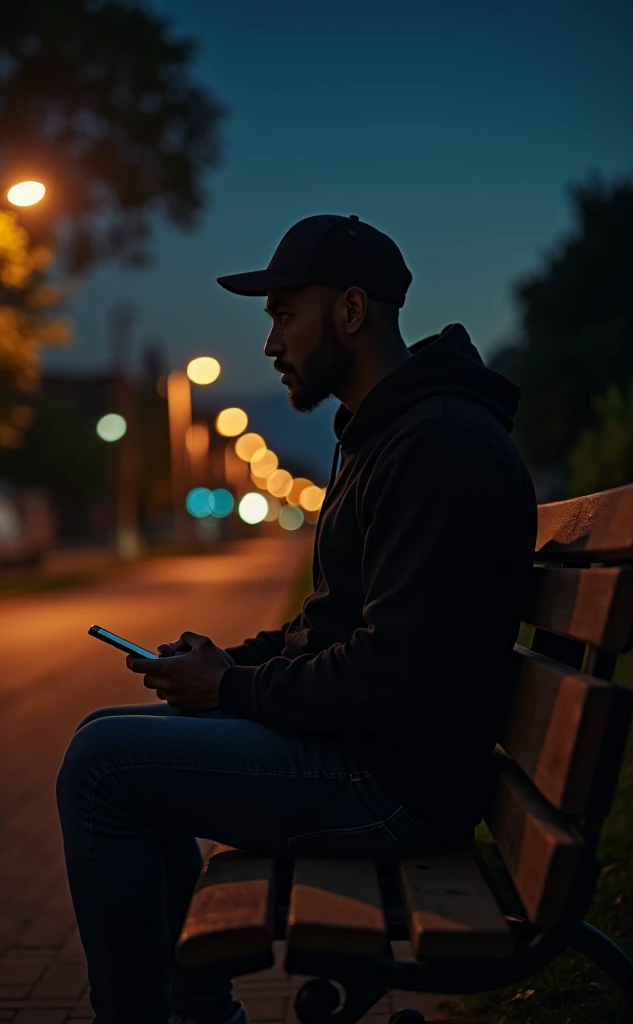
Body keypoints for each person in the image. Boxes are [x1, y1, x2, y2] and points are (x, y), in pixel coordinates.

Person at [56, 214, 537, 1024]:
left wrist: (234, 692)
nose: (272, 342)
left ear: (352, 312)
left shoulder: (437, 445)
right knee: (106, 734)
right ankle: (193, 1009)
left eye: (285, 314)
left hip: (395, 787)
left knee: (105, 765)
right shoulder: (392, 435)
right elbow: (335, 626)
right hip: (378, 759)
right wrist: (227, 665)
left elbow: (391, 671)